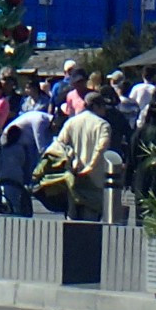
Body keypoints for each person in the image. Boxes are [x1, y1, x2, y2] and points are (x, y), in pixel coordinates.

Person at [54, 90, 116, 222]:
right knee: (91, 220)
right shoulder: (103, 125)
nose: (105, 109)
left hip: (73, 176)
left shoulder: (71, 122)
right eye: (102, 106)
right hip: (95, 180)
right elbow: (101, 148)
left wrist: (71, 161)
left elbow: (59, 145)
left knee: (72, 217)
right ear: (95, 106)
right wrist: (90, 166)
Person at [0, 113, 40, 214]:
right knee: (16, 198)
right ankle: (17, 213)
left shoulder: (3, 149)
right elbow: (23, 162)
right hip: (17, 175)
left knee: (7, 196)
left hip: (4, 174)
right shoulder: (20, 148)